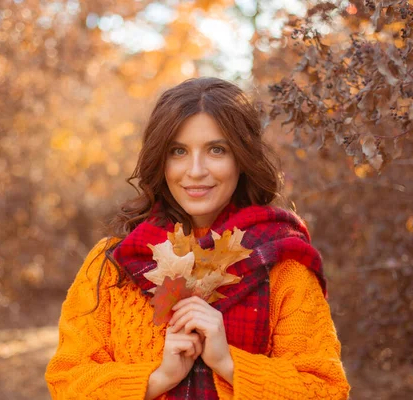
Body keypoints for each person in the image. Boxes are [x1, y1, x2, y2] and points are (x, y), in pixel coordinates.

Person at [44, 77, 350, 399]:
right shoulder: (113, 264)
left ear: (242, 159)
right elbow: (67, 382)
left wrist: (228, 363)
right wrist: (157, 379)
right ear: (159, 161)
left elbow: (327, 390)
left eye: (216, 150)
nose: (195, 170)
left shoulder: (282, 265)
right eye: (178, 151)